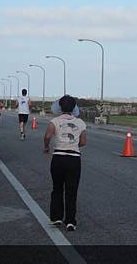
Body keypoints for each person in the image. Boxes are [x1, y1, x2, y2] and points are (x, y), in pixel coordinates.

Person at [43, 95, 86, 231]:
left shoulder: (54, 121)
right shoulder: (80, 123)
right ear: (74, 107)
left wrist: (46, 147)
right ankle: (70, 221)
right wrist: (73, 144)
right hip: (74, 159)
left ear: (60, 107)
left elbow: (47, 136)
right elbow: (83, 142)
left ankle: (56, 217)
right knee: (71, 191)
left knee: (57, 188)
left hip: (58, 158)